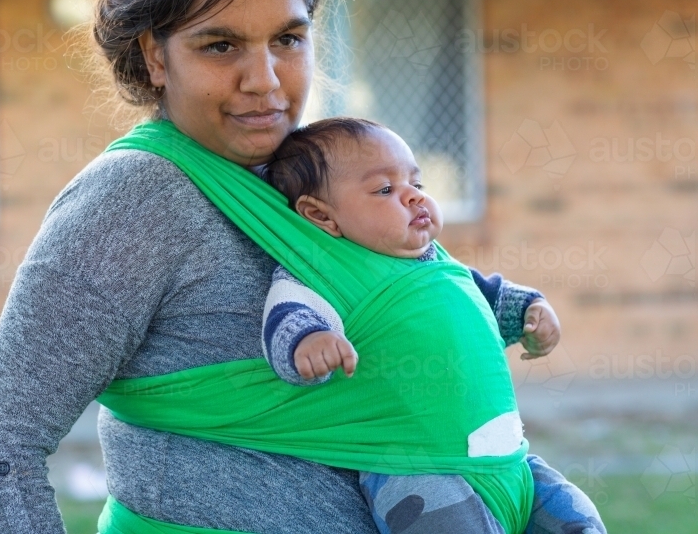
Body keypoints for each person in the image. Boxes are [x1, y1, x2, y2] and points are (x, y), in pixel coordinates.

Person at [0, 0, 599, 533]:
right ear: (155, 55)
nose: (264, 80)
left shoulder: (321, 178)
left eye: (287, 39)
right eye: (220, 45)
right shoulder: (136, 201)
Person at [259, 116, 605, 534]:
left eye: (416, 185)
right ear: (321, 216)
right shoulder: (321, 271)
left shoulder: (439, 263)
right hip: (415, 465)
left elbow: (485, 293)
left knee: (579, 518)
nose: (413, 198)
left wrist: (530, 309)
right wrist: (308, 341)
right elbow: (288, 314)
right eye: (385, 190)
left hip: (509, 459)